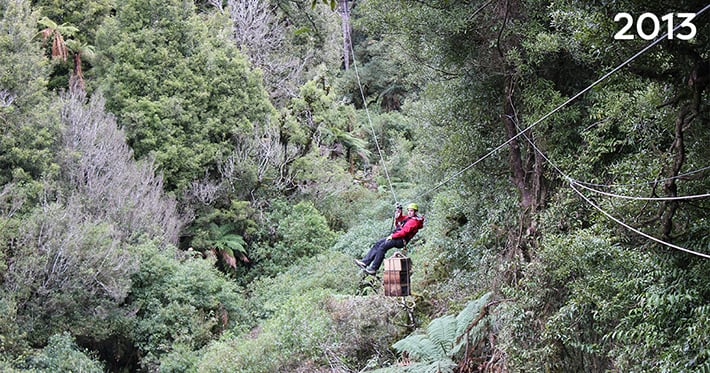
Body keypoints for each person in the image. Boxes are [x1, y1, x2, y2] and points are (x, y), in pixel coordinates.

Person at [355, 203, 424, 275]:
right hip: (397, 237)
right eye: (409, 210)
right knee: (378, 243)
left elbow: (404, 232)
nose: (409, 212)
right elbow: (401, 219)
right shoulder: (409, 218)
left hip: (401, 240)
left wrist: (392, 236)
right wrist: (399, 211)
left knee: (383, 246)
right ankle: (365, 262)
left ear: (415, 212)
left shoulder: (414, 222)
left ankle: (373, 268)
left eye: (411, 211)